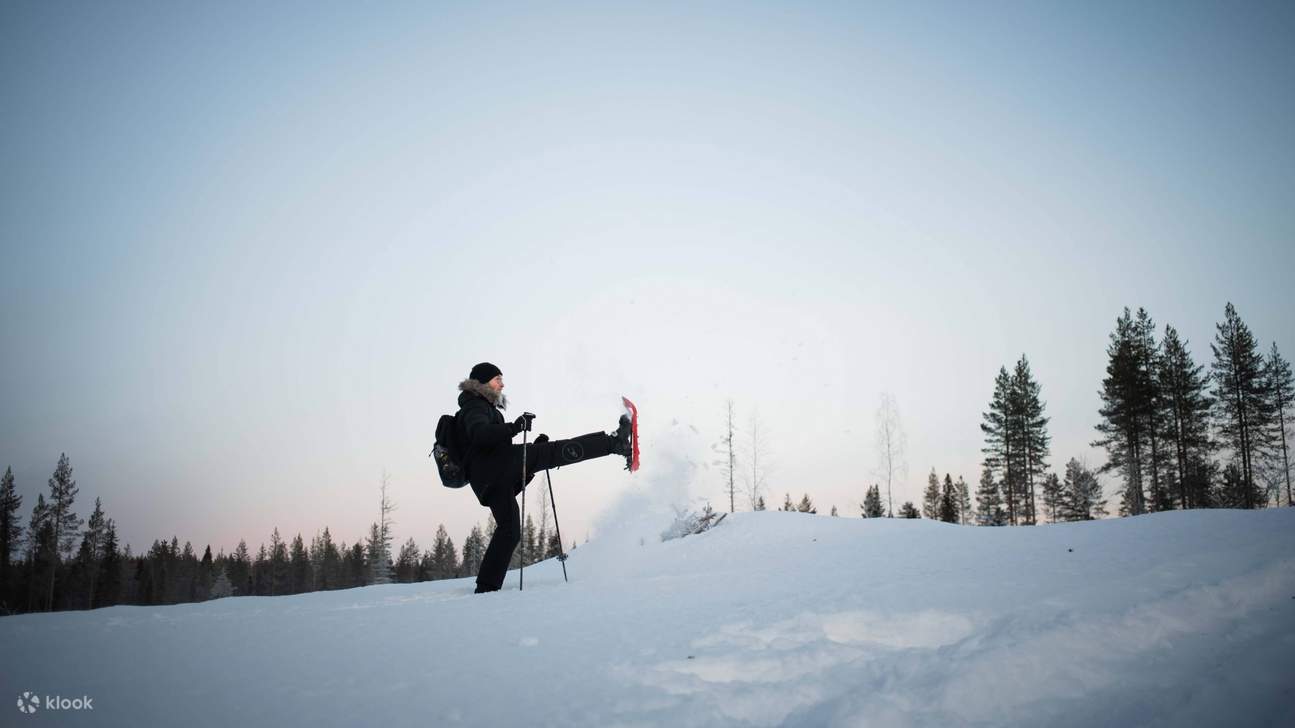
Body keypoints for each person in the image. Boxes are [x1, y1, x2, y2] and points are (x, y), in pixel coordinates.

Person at [457, 362, 632, 593]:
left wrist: (530, 451)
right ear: (482, 382)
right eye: (497, 379)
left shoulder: (481, 407)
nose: (502, 383)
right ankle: (615, 443)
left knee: (509, 530)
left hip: (490, 479)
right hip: (493, 470)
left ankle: (486, 587)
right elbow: (480, 435)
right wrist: (515, 427)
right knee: (552, 452)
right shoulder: (475, 406)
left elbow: (491, 447)